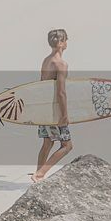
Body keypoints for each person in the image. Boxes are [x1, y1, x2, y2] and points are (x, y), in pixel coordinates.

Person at [32, 28, 72, 182]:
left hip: (44, 109)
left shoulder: (46, 60)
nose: (67, 43)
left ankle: (38, 175)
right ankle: (40, 174)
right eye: (66, 40)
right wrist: (64, 115)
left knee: (48, 142)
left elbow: (43, 87)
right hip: (54, 111)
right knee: (67, 146)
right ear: (61, 43)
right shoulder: (60, 64)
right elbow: (60, 92)